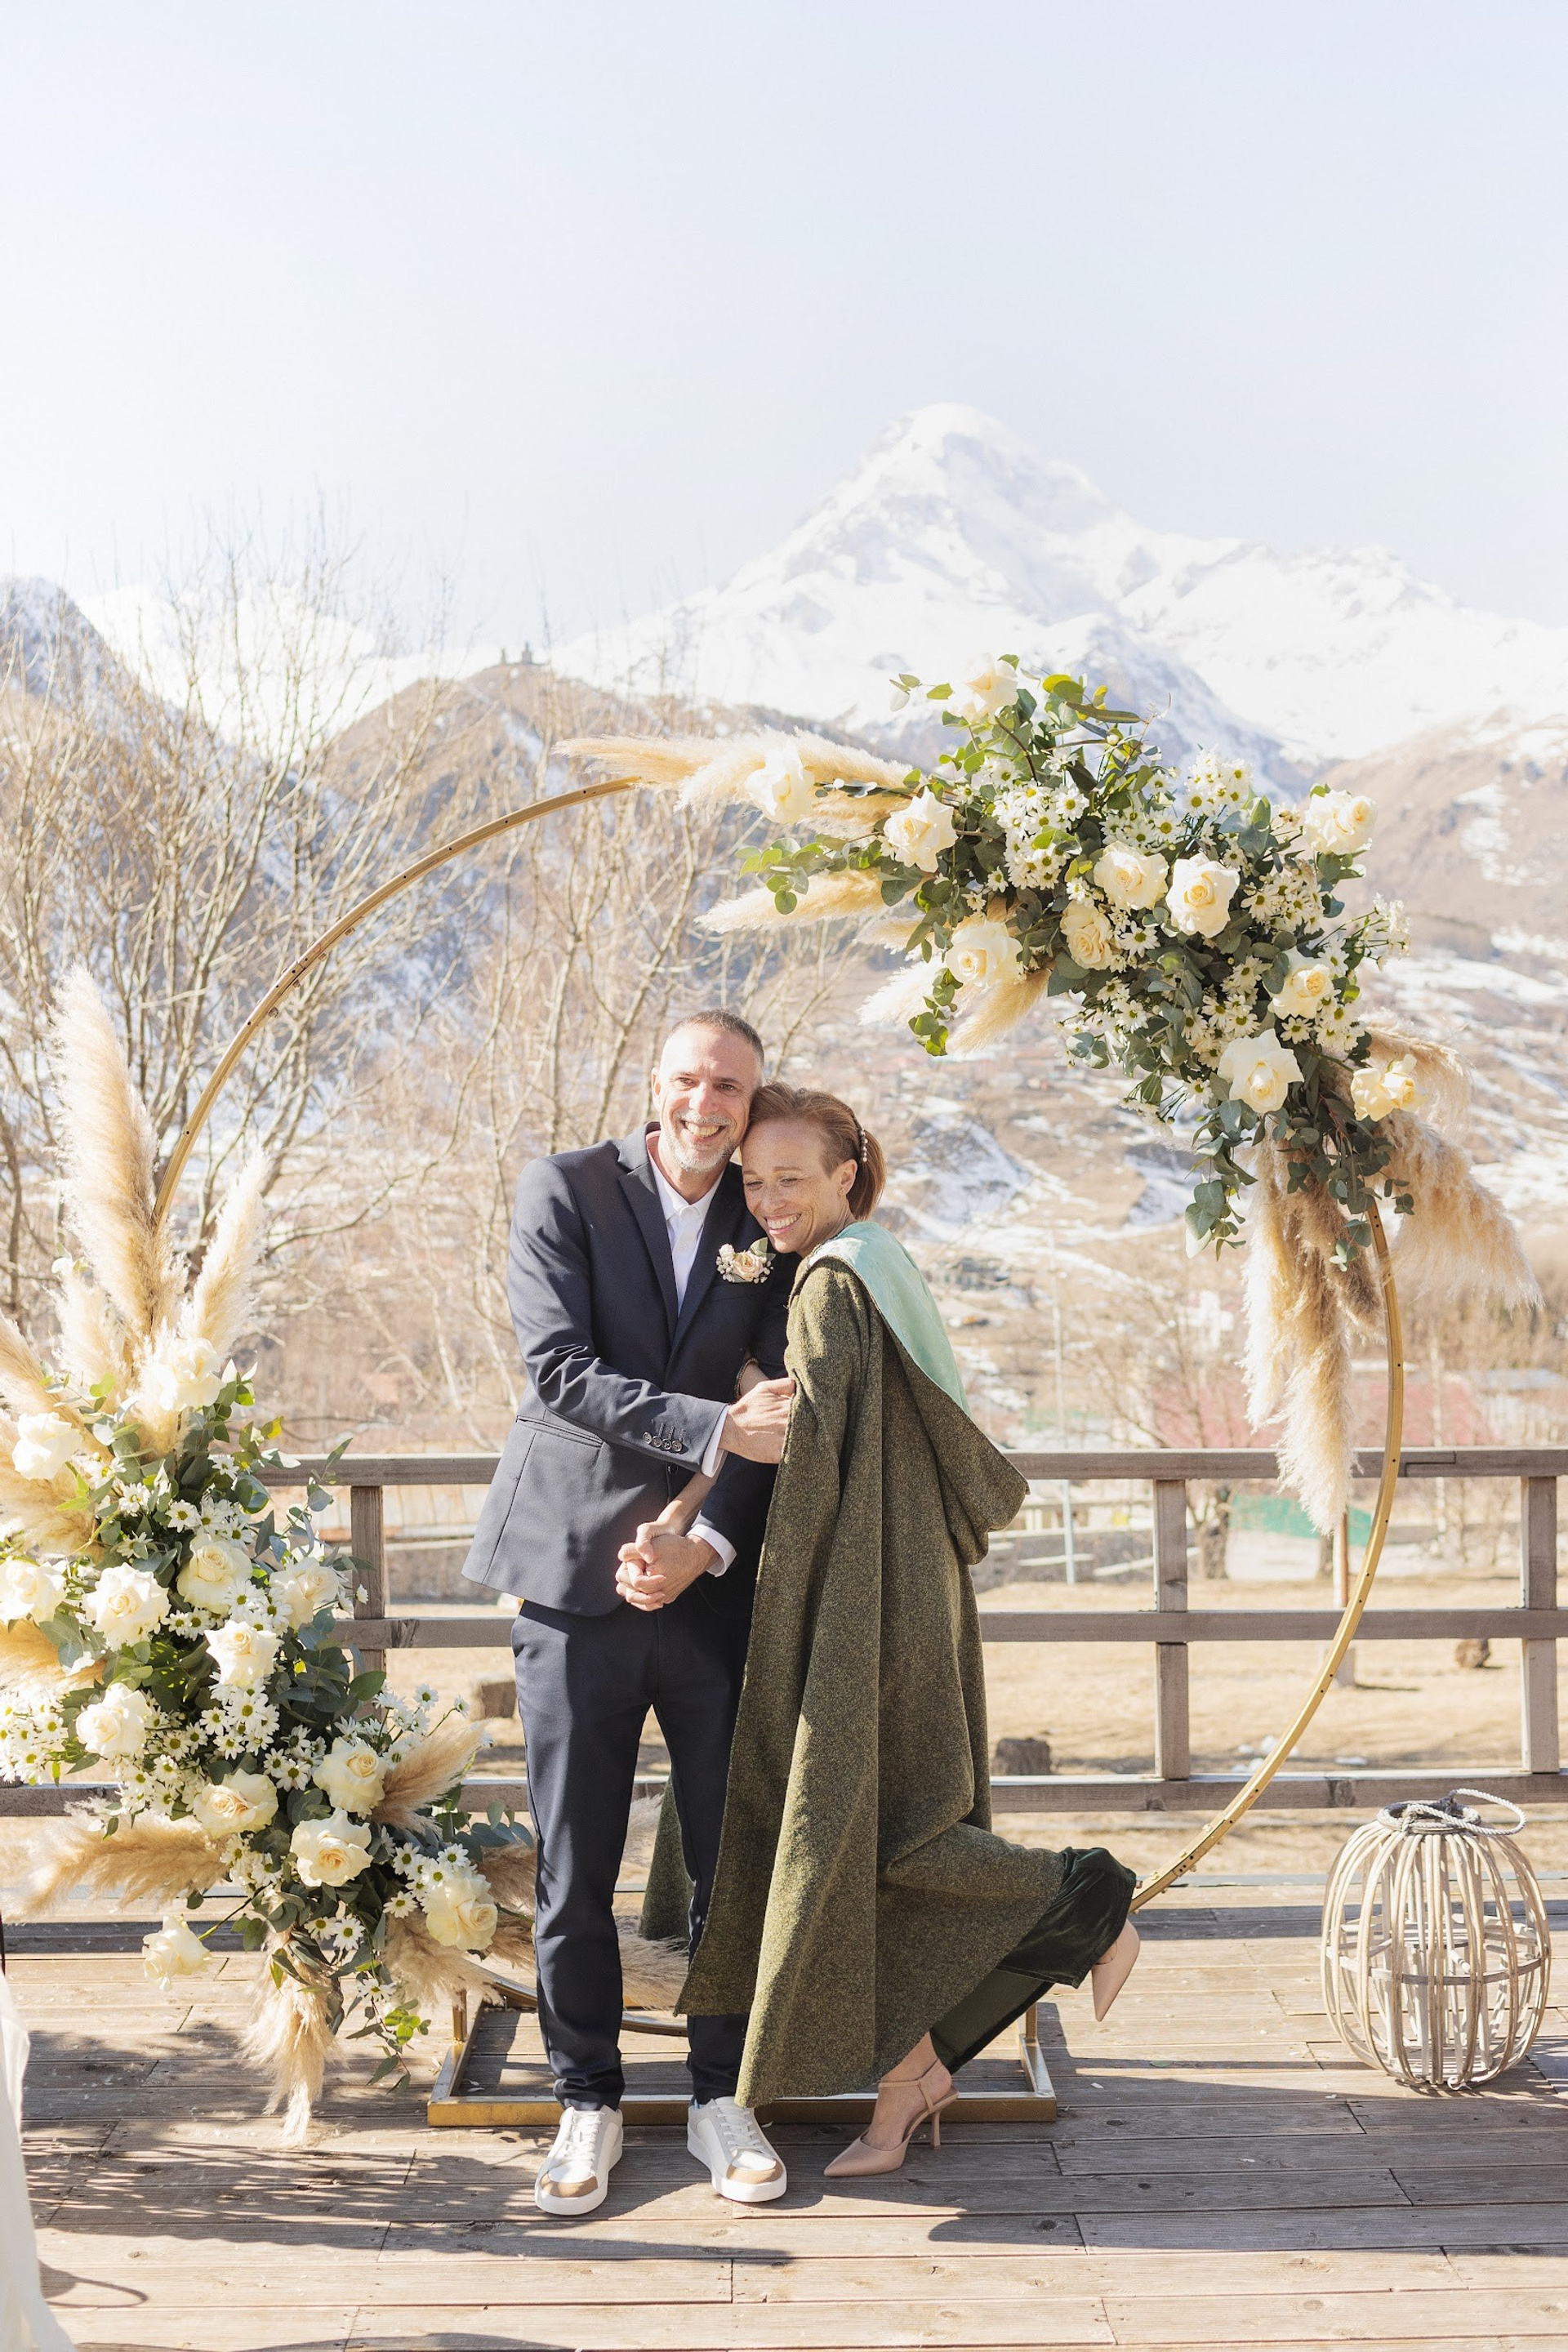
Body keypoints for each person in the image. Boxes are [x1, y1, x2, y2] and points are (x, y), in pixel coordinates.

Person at [624, 1083, 1140, 2177]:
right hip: (908, 1592)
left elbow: (818, 1480)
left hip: (859, 1605)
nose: (767, 1200)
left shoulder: (829, 1291)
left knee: (875, 1832)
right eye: (754, 1182)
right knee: (877, 1835)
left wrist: (756, 1418)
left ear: (847, 1174)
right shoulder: (882, 1270)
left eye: (790, 1180)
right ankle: (910, 2080)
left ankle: (1085, 1897)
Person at [462, 1011, 797, 2217]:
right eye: (690, 1080)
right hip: (571, 1577)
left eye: (732, 1090)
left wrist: (703, 1542)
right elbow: (557, 1369)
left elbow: (780, 1400)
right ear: (653, 1084)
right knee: (576, 1861)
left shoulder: (769, 1224)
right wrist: (711, 1427)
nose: (707, 1104)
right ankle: (586, 2101)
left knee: (728, 1856)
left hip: (708, 1591)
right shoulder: (560, 1190)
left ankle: (722, 2097)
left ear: (753, 1107)